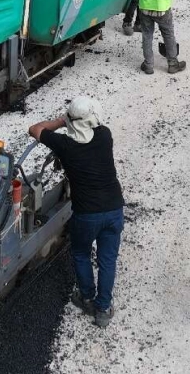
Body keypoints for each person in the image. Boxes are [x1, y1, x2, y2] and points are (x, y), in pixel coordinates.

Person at [29, 97, 125, 327]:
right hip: (113, 208)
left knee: (81, 253)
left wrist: (61, 122)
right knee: (107, 259)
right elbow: (93, 127)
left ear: (71, 121)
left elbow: (34, 129)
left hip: (86, 214)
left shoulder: (64, 144)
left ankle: (86, 296)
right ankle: (102, 309)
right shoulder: (105, 136)